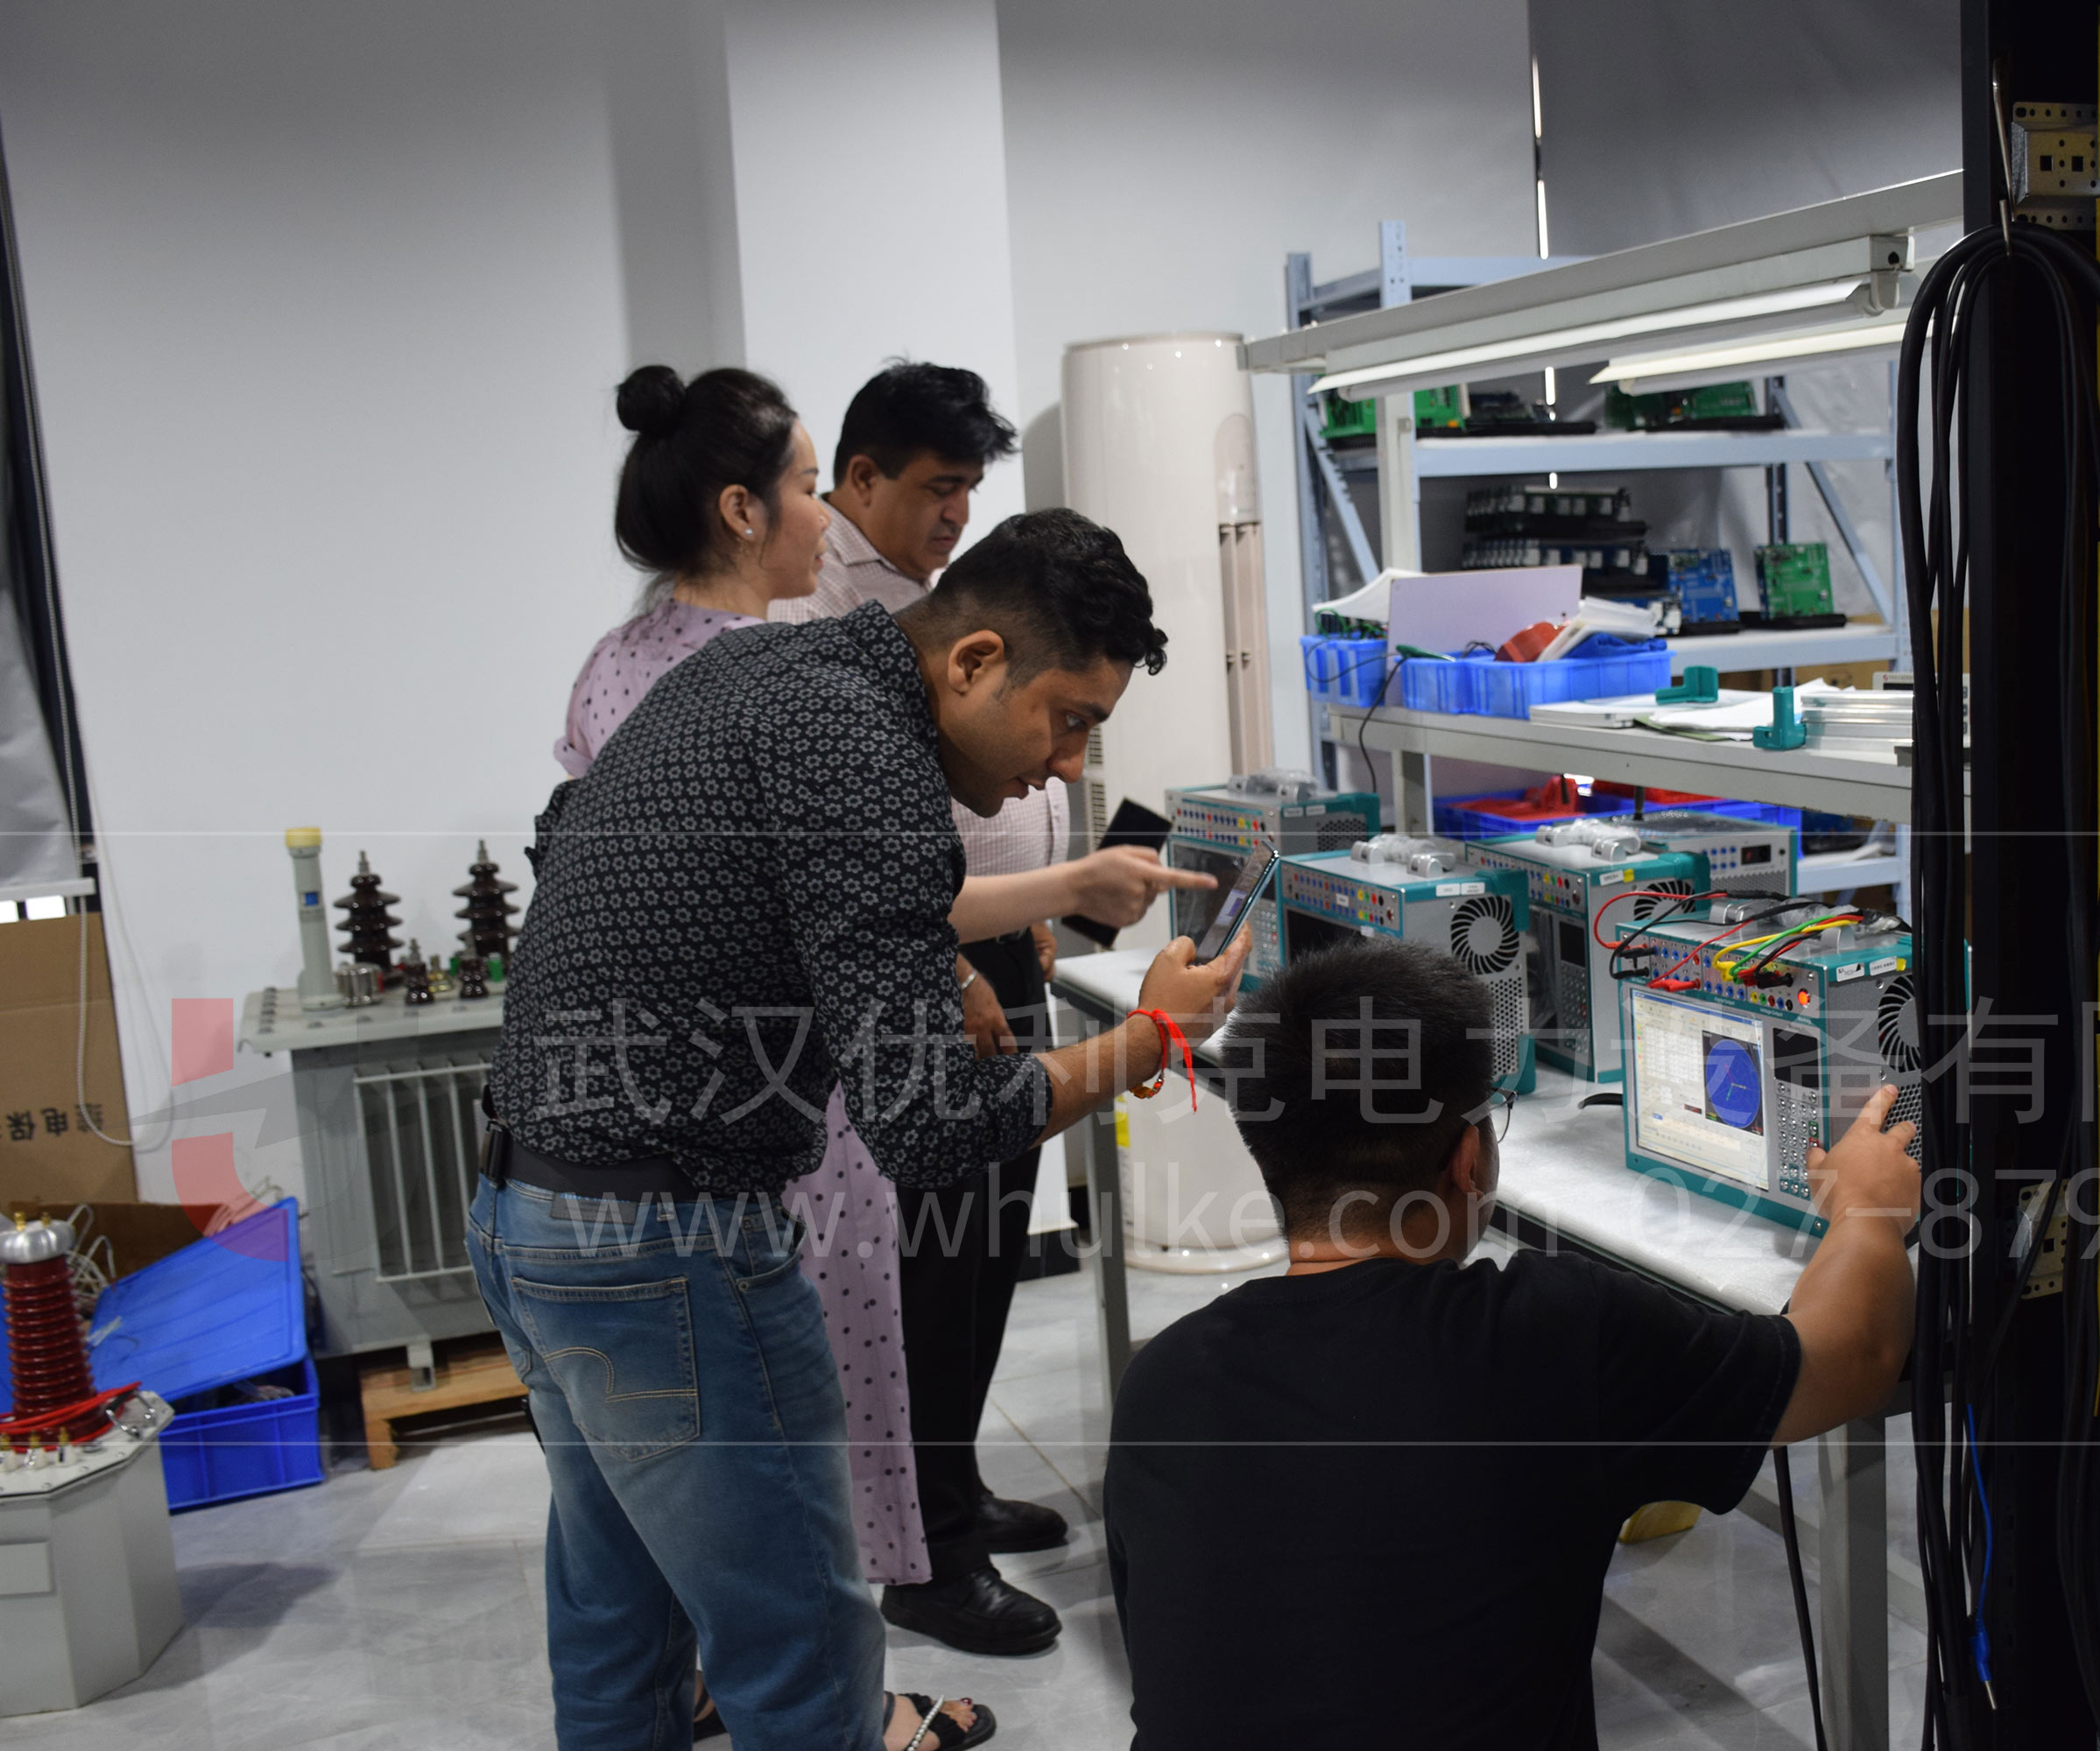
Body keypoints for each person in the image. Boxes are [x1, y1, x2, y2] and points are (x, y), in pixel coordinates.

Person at [476, 355, 1246, 1751]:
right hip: (672, 1242)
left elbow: (579, 841)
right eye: (1069, 718)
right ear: (972, 661)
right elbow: (934, 1127)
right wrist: (1148, 1040)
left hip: (528, 1214)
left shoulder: (761, 670)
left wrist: (915, 957)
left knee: (621, 1634)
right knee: (804, 1667)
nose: (1069, 766)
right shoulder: (868, 752)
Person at [1103, 938, 1923, 1750]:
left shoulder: (1162, 1382)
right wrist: (1867, 1204)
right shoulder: (1549, 1333)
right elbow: (1854, 1357)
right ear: (1469, 1159)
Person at [543, 364, 973, 1746]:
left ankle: (734, 1681)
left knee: (620, 1569)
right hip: (753, 1130)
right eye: (802, 487)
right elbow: (839, 922)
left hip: (559, 1163)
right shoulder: (786, 679)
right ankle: (847, 1709)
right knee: (794, 1513)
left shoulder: (614, 667)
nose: (823, 516)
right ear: (742, 508)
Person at [779, 361, 1208, 1657]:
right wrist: (1143, 1036)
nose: (954, 512)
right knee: (923, 1264)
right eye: (936, 486)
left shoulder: (921, 623)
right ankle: (924, 1556)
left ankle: (948, 1496)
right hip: (913, 977)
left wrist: (1034, 914)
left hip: (979, 949)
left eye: (972, 488)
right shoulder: (830, 649)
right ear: (851, 480)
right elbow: (925, 1098)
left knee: (977, 1255)